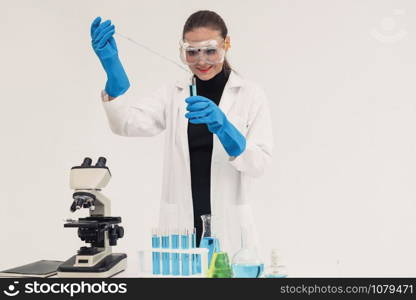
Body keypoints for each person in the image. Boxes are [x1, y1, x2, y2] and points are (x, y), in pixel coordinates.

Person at [90, 10, 273, 255]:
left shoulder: (250, 94)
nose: (201, 60)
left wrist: (225, 128)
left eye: (210, 50)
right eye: (192, 52)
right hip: (181, 227)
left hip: (230, 230)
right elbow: (126, 124)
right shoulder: (173, 94)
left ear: (226, 45)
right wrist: (114, 77)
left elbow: (259, 164)